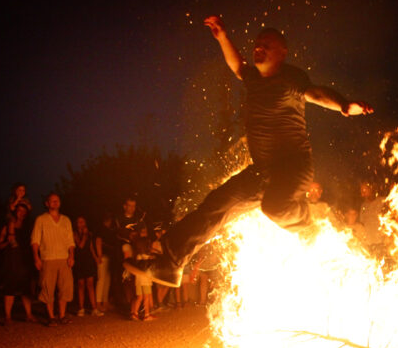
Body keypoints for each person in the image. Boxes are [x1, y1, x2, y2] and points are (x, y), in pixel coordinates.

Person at [126, 16, 373, 285]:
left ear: (282, 52)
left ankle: (310, 225)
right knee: (216, 205)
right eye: (256, 44)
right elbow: (237, 65)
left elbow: (316, 93)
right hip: (262, 170)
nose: (259, 47)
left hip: (293, 167)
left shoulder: (291, 78)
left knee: (275, 206)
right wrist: (222, 37)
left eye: (266, 44)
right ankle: (171, 263)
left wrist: (344, 105)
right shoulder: (253, 78)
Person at [31, 193, 75, 326]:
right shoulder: (41, 220)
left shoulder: (66, 220)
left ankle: (62, 315)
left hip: (64, 258)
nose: (55, 203)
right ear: (47, 203)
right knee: (47, 288)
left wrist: (71, 255)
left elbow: (70, 241)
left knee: (65, 287)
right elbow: (35, 240)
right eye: (52, 201)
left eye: (57, 201)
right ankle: (51, 317)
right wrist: (36, 257)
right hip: (48, 258)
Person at [0, 203, 37, 324]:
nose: (22, 213)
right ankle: (8, 317)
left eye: (24, 211)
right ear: (15, 212)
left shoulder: (28, 228)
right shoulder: (7, 228)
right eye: (19, 210)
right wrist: (7, 243)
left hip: (24, 261)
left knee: (26, 289)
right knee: (9, 288)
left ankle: (29, 315)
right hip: (11, 261)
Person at [73, 216, 101, 316]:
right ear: (76, 224)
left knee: (90, 284)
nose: (81, 224)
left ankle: (94, 309)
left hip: (88, 260)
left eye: (83, 222)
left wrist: (96, 258)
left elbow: (91, 247)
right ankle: (81, 308)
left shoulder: (89, 234)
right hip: (80, 261)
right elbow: (80, 245)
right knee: (81, 285)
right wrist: (84, 235)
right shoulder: (74, 234)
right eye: (79, 222)